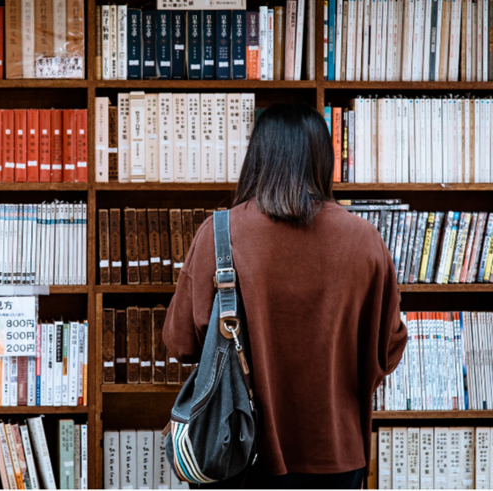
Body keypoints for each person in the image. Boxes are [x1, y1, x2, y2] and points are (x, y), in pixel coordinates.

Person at [162, 103, 408, 489]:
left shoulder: (219, 233)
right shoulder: (365, 241)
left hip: (235, 450)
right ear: (323, 160)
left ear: (257, 157)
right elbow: (389, 349)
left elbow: (181, 344)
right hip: (336, 453)